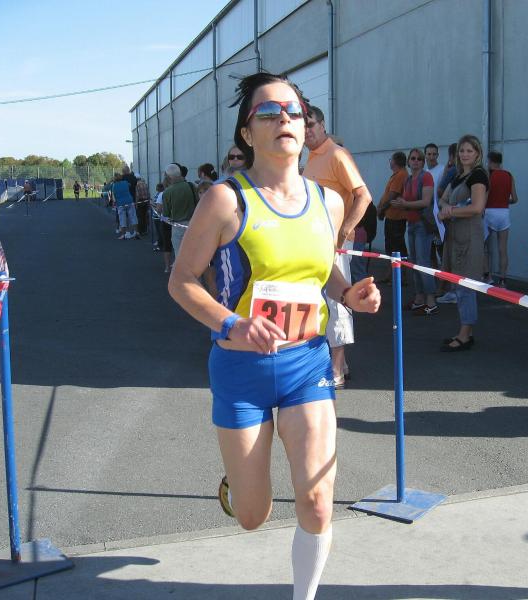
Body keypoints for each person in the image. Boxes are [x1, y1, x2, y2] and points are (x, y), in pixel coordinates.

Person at [167, 72, 380, 600]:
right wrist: (232, 323)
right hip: (241, 371)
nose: (284, 119)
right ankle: (238, 482)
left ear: (305, 126)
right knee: (253, 515)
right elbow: (182, 281)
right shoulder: (225, 199)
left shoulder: (329, 202)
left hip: (308, 364)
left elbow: (322, 273)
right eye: (269, 112)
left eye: (293, 111)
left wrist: (350, 294)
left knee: (317, 501)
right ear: (247, 133)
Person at [303, 104, 373, 388]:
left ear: (322, 125)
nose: (306, 131)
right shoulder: (311, 157)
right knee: (321, 301)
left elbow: (364, 195)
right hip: (314, 240)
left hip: (332, 243)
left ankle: (336, 369)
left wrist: (343, 231)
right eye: (302, 125)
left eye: (310, 124)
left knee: (337, 301)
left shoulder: (336, 154)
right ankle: (340, 363)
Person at [436, 135, 488, 351]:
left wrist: (451, 211)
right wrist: (447, 208)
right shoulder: (459, 175)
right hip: (455, 235)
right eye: (462, 150)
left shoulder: (478, 175)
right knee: (459, 284)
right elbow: (442, 198)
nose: (465, 154)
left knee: (465, 286)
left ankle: (465, 335)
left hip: (469, 236)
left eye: (469, 151)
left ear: (477, 153)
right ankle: (466, 331)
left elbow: (477, 207)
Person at [390, 147, 438, 314]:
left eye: (419, 159)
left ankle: (431, 301)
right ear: (409, 162)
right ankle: (419, 298)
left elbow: (425, 202)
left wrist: (404, 204)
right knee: (414, 262)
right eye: (413, 158)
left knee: (423, 262)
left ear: (423, 162)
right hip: (411, 224)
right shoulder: (409, 179)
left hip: (423, 225)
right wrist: (401, 204)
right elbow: (407, 201)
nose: (416, 161)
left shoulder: (426, 177)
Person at [484, 151, 519, 287]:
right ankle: (503, 279)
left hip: (489, 212)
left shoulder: (488, 174)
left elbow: (485, 196)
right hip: (504, 213)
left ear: (489, 161)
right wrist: (504, 201)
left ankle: (487, 276)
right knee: (502, 249)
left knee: (485, 247)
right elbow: (515, 199)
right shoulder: (509, 175)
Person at [375, 151, 409, 284]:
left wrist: (381, 209)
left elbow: (392, 195)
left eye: (391, 160)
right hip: (391, 216)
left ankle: (401, 277)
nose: (390, 162)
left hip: (397, 217)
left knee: (397, 247)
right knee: (391, 246)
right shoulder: (397, 175)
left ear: (395, 161)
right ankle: (391, 274)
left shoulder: (401, 175)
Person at [435, 143, 458, 303]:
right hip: (452, 217)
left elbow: (440, 190)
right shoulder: (457, 172)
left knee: (448, 255)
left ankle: (448, 289)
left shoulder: (453, 171)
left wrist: (447, 206)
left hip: (451, 219)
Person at [162, 163, 197, 258]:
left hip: (177, 226)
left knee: (179, 254)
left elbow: (166, 215)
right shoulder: (192, 186)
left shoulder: (167, 192)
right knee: (193, 253)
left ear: (168, 177)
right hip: (194, 224)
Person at [152, 182, 173, 273]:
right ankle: (177, 264)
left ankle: (167, 267)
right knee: (179, 244)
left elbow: (158, 209)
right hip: (178, 221)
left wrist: (153, 206)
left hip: (166, 220)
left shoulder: (162, 194)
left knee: (167, 244)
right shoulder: (180, 191)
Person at [112, 173, 139, 240]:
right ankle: (136, 232)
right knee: (133, 217)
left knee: (122, 219)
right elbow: (130, 185)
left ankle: (124, 234)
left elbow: (114, 195)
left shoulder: (114, 185)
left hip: (120, 204)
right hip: (129, 201)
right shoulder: (125, 182)